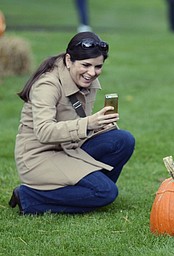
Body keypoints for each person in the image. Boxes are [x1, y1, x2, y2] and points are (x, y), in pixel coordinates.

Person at [8, 32, 135, 215]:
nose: (92, 72)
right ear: (69, 60)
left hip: (68, 147)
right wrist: (88, 123)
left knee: (123, 140)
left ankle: (88, 194)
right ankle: (29, 197)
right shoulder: (47, 85)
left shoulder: (85, 79)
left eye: (98, 66)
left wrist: (97, 126)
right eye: (86, 65)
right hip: (39, 157)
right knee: (107, 192)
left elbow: (75, 124)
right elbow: (44, 132)